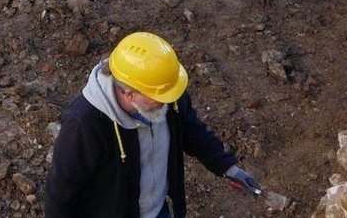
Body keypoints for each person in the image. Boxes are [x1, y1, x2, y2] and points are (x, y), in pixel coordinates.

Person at [45, 31, 262, 218]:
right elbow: (62, 192)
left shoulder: (165, 92)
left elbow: (191, 130)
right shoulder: (84, 125)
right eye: (160, 96)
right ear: (130, 94)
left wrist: (228, 167)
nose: (169, 100)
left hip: (157, 211)